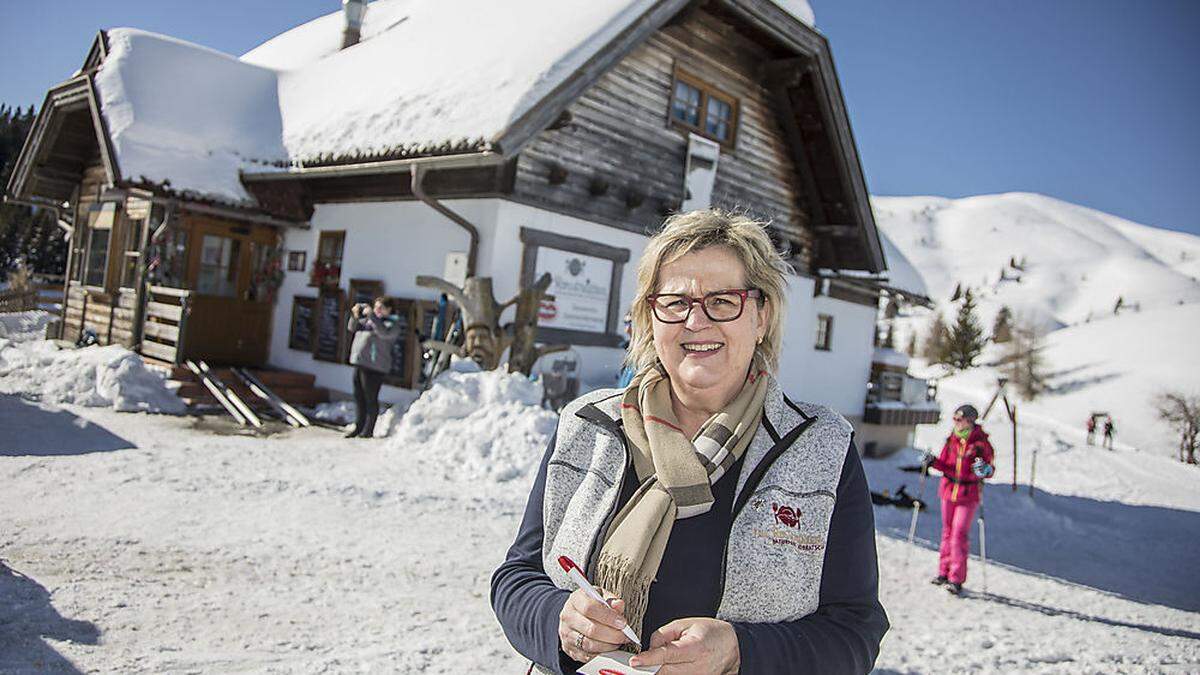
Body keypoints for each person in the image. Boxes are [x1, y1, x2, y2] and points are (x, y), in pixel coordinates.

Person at [491, 210, 888, 674]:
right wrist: (558, 619)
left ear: (761, 317)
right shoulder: (588, 425)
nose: (695, 322)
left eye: (722, 301)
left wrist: (742, 651)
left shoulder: (822, 449)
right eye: (675, 302)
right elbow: (517, 579)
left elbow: (855, 629)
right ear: (649, 318)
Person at [922, 404, 995, 595]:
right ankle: (943, 572)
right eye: (954, 419)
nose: (956, 423)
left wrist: (983, 470)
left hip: (967, 494)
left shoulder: (980, 443)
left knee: (959, 535)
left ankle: (956, 578)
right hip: (948, 491)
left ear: (970, 420)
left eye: (959, 419)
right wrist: (932, 461)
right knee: (947, 532)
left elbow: (989, 470)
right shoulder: (952, 439)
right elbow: (946, 465)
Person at [345, 296, 401, 438]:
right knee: (359, 396)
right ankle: (359, 426)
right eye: (375, 307)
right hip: (360, 362)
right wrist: (355, 315)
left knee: (370, 398)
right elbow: (351, 327)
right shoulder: (370, 321)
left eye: (380, 308)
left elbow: (383, 333)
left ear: (389, 309)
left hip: (375, 366)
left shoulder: (391, 324)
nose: (377, 310)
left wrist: (372, 316)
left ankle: (369, 429)